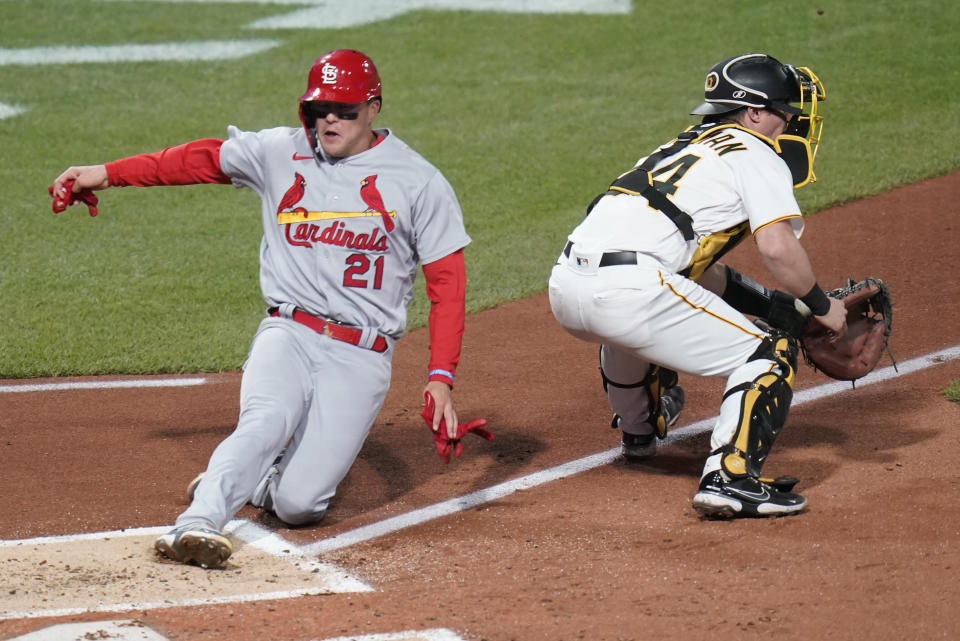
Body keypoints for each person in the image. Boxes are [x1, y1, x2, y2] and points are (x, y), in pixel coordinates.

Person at [51, 49, 473, 566]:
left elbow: (448, 284)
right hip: (288, 332)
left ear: (374, 107)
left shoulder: (418, 180)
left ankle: (246, 480)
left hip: (362, 355)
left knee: (300, 505)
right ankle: (199, 521)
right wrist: (104, 173)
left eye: (345, 110)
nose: (330, 121)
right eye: (321, 110)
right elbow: (199, 160)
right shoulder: (279, 151)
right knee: (265, 420)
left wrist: (440, 376)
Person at [548, 53, 846, 518]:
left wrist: (769, 303)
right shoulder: (755, 151)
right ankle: (731, 479)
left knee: (631, 318)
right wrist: (819, 304)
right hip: (630, 290)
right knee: (768, 353)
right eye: (784, 111)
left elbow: (694, 267)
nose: (791, 120)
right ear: (752, 113)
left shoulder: (687, 145)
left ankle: (639, 431)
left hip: (567, 287)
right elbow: (777, 247)